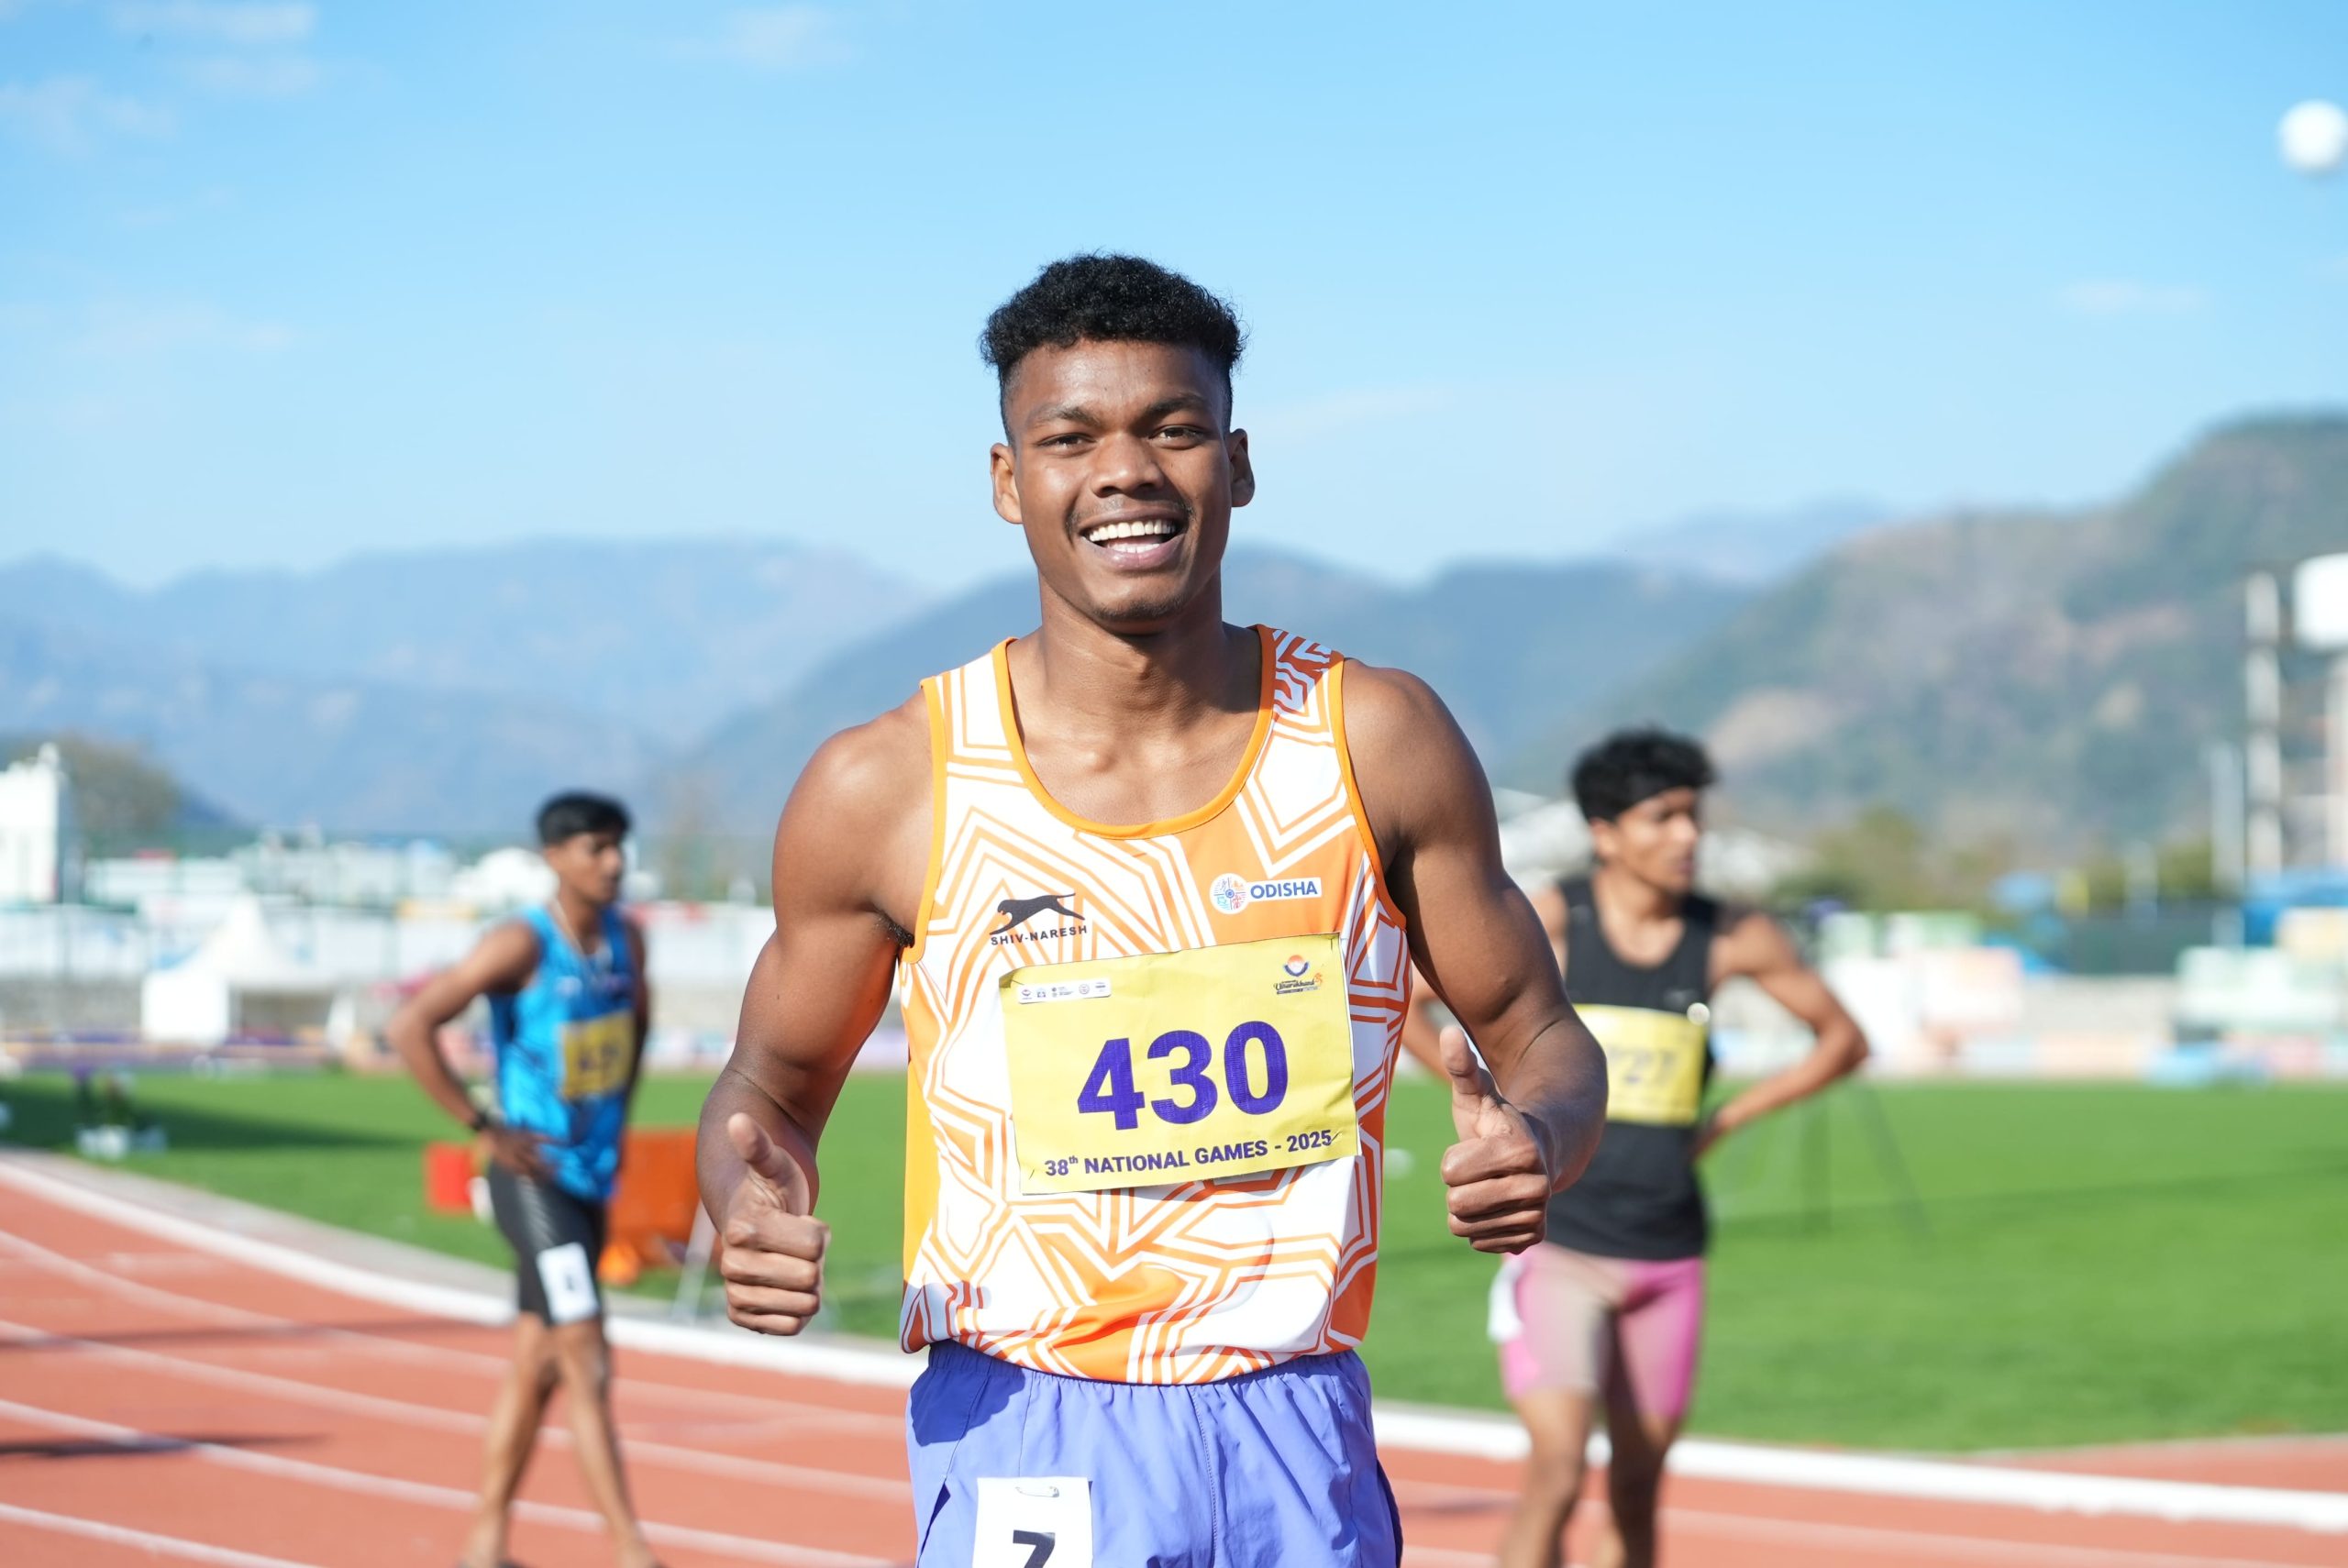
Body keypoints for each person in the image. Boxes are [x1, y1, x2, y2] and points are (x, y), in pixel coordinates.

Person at [695, 254, 1611, 1567]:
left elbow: (1541, 1032)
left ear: (1235, 464)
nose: (1124, 471)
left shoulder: (1374, 739)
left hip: (1297, 1420)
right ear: (1008, 480)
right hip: (1028, 1416)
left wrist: (1542, 1138)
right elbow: (766, 1091)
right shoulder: (890, 785)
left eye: (1171, 430)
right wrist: (744, 1202)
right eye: (1070, 439)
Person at [1403, 730, 1868, 1568]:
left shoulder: (1732, 935)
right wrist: (1497, 1117)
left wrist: (1731, 1118)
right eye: (1663, 817)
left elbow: (1842, 1039)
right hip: (1561, 1245)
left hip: (1667, 1249)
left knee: (1638, 1486)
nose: (1688, 835)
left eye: (1694, 816)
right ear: (1606, 832)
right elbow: (1409, 1002)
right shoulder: (1551, 917)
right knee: (1556, 1469)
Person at [386, 790, 659, 1568]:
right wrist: (483, 1126)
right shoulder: (521, 944)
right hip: (532, 1180)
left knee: (538, 1363)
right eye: (596, 848)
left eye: (619, 846)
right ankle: (631, 1550)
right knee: (586, 1352)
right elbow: (410, 1026)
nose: (614, 863)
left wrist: (617, 1123)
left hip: (590, 1180)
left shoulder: (628, 941)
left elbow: (636, 1026)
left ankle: (484, 1543)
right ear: (555, 857)